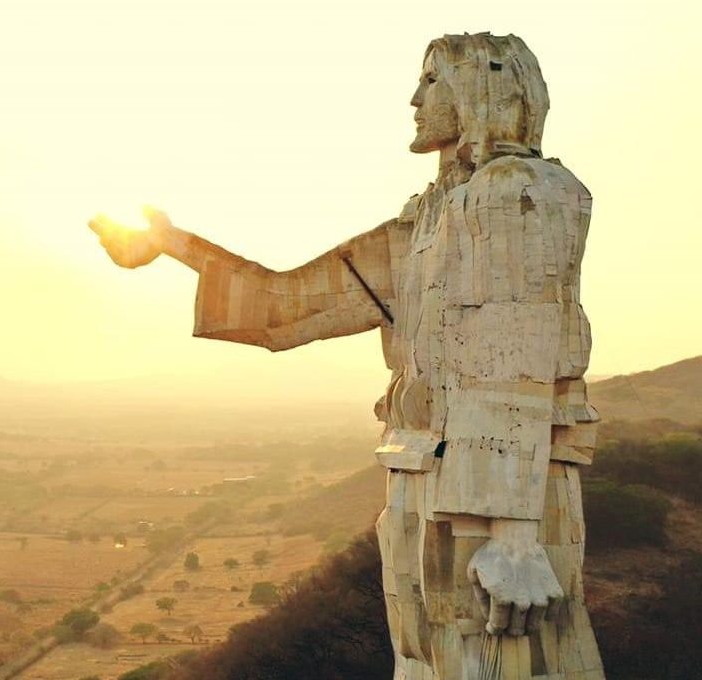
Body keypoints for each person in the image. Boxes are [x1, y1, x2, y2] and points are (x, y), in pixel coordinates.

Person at [88, 32, 604, 680]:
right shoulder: (422, 222)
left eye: (432, 81)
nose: (415, 99)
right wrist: (171, 244)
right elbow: (287, 302)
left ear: (483, 85)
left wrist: (515, 533)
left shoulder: (519, 191)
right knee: (429, 660)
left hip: (497, 495)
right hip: (424, 475)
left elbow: (513, 353)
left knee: (498, 663)